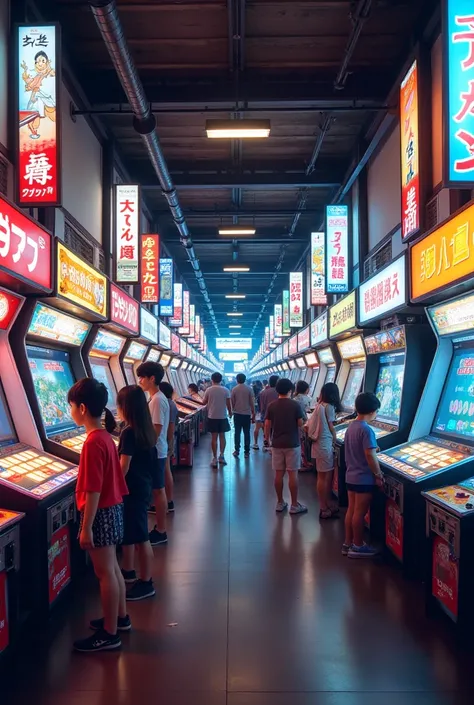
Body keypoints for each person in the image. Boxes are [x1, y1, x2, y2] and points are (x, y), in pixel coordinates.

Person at [68, 378, 129, 652]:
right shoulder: (105, 436)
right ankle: (121, 618)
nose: (70, 410)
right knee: (113, 569)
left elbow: (92, 489)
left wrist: (86, 527)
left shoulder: (93, 443)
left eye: (70, 406)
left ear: (81, 408)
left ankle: (109, 633)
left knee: (104, 573)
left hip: (100, 513)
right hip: (113, 509)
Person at [117, 385, 156, 601]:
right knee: (133, 532)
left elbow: (124, 466)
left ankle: (146, 582)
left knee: (141, 537)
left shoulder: (128, 432)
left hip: (132, 489)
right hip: (143, 485)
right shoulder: (145, 427)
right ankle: (129, 571)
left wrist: (111, 486)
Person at [343, 392, 383, 558]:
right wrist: (378, 474)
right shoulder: (366, 430)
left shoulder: (351, 426)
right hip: (363, 478)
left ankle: (347, 543)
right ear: (373, 411)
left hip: (351, 476)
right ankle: (358, 546)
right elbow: (369, 455)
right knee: (359, 513)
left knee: (351, 510)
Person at [136, 361, 170, 546]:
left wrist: (142, 445)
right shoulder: (155, 398)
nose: (139, 380)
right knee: (158, 490)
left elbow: (156, 428)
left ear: (152, 378)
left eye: (142, 377)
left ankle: (161, 530)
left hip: (155, 450)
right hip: (158, 449)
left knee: (158, 491)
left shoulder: (157, 399)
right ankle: (160, 528)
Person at [264, 378, 307, 515]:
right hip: (292, 443)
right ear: (290, 390)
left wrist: (267, 440)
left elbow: (267, 424)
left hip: (277, 443)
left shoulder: (272, 405)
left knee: (278, 474)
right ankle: (294, 505)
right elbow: (300, 423)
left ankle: (280, 502)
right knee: (293, 474)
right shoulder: (295, 405)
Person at [306, 382, 341, 519]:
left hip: (318, 444)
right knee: (324, 477)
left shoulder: (319, 406)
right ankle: (324, 507)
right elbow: (331, 427)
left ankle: (325, 505)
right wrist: (335, 438)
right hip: (325, 444)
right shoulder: (329, 407)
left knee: (323, 476)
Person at [202, 371, 232, 468]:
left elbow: (203, 402)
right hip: (223, 416)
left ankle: (214, 458)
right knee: (222, 437)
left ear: (212, 379)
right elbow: (228, 404)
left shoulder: (208, 390)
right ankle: (222, 456)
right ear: (221, 380)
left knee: (214, 438)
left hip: (212, 416)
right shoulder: (226, 390)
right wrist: (230, 413)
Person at [159, 381, 178, 512]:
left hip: (165, 440)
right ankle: (168, 500)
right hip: (166, 440)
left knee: (165, 470)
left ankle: (168, 501)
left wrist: (166, 442)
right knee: (166, 469)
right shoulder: (171, 403)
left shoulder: (168, 404)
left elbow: (170, 428)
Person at [231, 373, 255, 458]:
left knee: (237, 432)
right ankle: (247, 452)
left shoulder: (234, 389)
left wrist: (233, 410)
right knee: (247, 433)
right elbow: (252, 402)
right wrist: (253, 413)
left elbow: (232, 402)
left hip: (237, 414)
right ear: (245, 380)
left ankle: (237, 450)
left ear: (237, 380)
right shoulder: (249, 389)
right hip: (247, 414)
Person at [257, 375, 279, 451]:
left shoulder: (263, 392)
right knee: (275, 432)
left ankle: (267, 442)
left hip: (265, 415)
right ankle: (274, 446)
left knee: (267, 431)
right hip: (277, 416)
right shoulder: (279, 392)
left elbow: (261, 406)